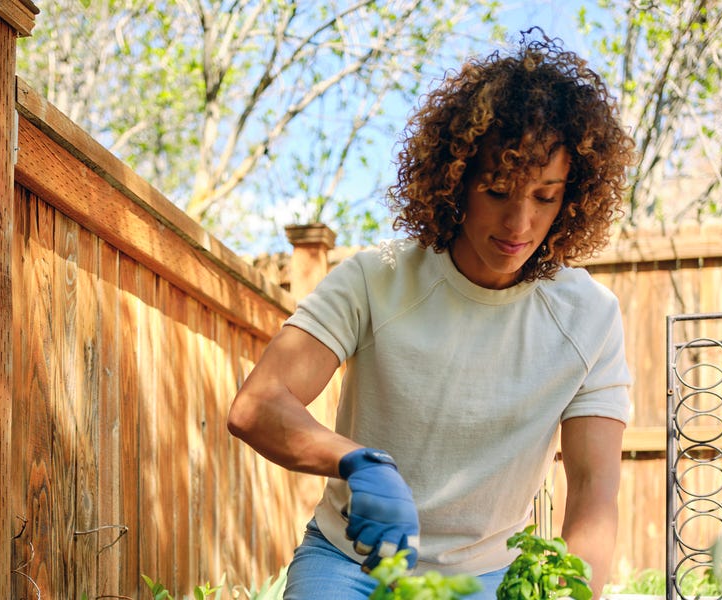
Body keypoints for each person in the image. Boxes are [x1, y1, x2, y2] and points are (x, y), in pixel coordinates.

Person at [227, 29, 635, 600]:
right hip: (349, 563)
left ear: (572, 196)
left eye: (544, 196)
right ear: (456, 179)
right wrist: (356, 463)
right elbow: (257, 405)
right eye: (497, 190)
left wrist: (571, 591)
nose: (519, 225)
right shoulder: (379, 277)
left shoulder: (589, 318)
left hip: (486, 577)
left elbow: (594, 490)